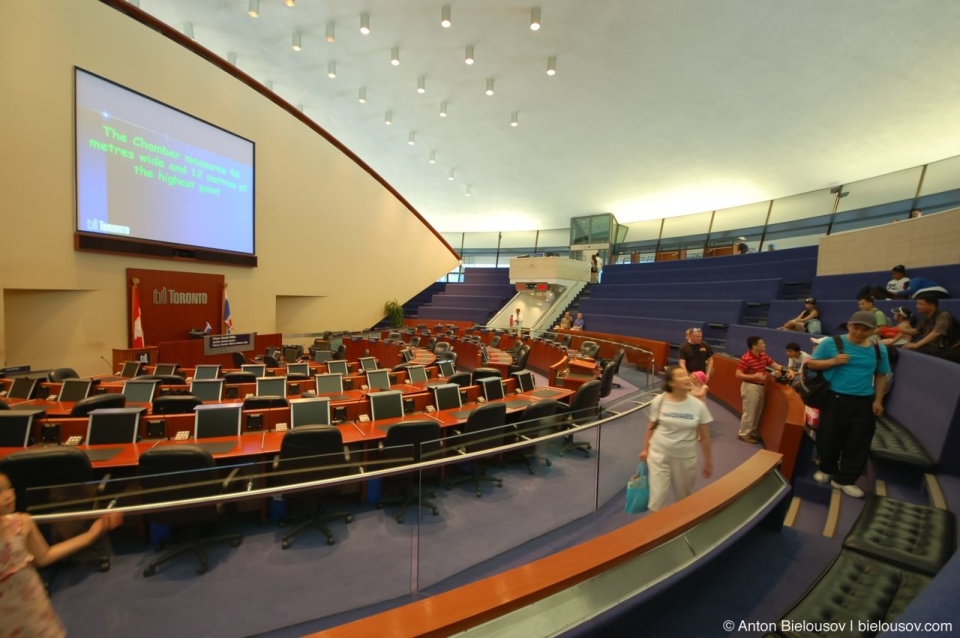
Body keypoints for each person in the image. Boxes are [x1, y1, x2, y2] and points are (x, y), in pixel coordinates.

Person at [0, 472, 123, 636]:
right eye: (0, 492)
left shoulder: (22, 523)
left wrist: (91, 535)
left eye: (9, 487)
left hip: (32, 609)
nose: (8, 495)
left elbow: (44, 556)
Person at [807, 311, 891, 498]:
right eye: (855, 327)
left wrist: (878, 400)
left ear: (873, 330)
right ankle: (826, 469)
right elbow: (812, 364)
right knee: (829, 437)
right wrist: (833, 361)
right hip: (835, 398)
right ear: (849, 325)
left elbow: (881, 375)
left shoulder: (878, 349)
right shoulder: (832, 343)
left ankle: (845, 479)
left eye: (865, 329)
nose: (859, 332)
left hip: (864, 401)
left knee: (859, 441)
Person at [639, 367, 713, 512]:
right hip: (659, 455)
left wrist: (708, 463)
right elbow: (651, 426)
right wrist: (645, 449)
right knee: (657, 500)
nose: (687, 378)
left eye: (686, 374)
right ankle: (656, 532)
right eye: (681, 376)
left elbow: (705, 437)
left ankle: (680, 529)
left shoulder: (698, 406)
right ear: (671, 383)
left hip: (685, 457)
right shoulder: (659, 401)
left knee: (683, 499)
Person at [735, 336, 792, 444]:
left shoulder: (763, 355)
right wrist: (754, 377)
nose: (764, 345)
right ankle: (743, 434)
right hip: (750, 386)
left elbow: (775, 365)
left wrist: (787, 371)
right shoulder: (746, 358)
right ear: (754, 346)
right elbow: (738, 374)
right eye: (761, 343)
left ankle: (752, 431)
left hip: (760, 386)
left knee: (757, 411)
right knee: (750, 411)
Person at [902, 293, 960, 361]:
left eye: (921, 304)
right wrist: (899, 329)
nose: (917, 306)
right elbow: (917, 331)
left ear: (932, 306)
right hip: (931, 345)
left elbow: (936, 332)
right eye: (917, 304)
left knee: (912, 351)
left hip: (945, 347)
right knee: (905, 348)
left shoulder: (943, 315)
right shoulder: (925, 317)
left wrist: (917, 344)